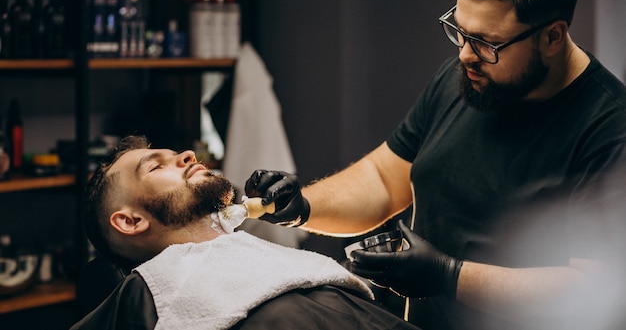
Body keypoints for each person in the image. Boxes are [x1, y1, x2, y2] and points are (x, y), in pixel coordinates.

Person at [242, 0, 626, 330]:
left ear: (552, 36)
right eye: (459, 31)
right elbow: (383, 181)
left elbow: (594, 289)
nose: (464, 54)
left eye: (485, 43)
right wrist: (301, 207)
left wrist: (448, 275)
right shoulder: (466, 79)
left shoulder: (609, 130)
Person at [70, 135, 421, 330]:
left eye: (176, 153)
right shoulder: (156, 300)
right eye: (157, 165)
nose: (188, 154)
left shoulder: (264, 271)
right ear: (131, 222)